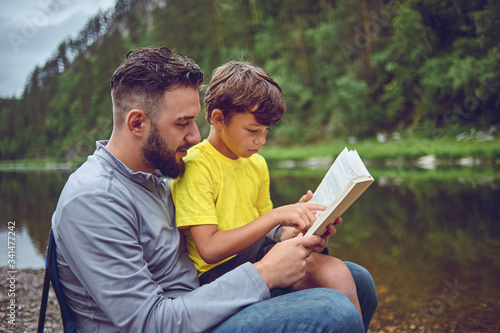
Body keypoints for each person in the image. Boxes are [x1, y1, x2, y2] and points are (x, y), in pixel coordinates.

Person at [51, 46, 377, 333]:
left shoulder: (154, 174)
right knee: (332, 312)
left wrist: (285, 236)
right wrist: (265, 274)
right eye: (182, 123)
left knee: (357, 281)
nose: (195, 136)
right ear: (137, 124)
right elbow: (151, 323)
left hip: (199, 305)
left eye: (195, 121)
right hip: (179, 323)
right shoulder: (95, 200)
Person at [171, 61, 362, 318]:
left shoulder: (257, 163)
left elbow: (270, 234)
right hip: (221, 275)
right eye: (253, 130)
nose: (261, 140)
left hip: (258, 255)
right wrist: (276, 215)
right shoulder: (197, 166)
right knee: (334, 274)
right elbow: (209, 249)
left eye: (266, 131)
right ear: (218, 119)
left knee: (340, 273)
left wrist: (299, 227)